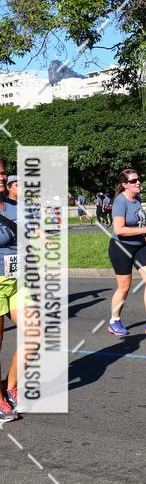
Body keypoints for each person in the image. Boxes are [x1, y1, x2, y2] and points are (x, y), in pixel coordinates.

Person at [107, 168, 146, 336]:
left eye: (138, 179)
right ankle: (114, 321)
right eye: (133, 181)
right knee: (124, 286)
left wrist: (145, 234)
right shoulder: (121, 201)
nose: (138, 182)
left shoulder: (137, 198)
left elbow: (137, 225)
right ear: (125, 185)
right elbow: (119, 229)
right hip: (122, 247)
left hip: (139, 245)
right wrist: (144, 230)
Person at [0, 166, 39, 420]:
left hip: (17, 280)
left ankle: (10, 386)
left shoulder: (13, 205)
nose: (3, 178)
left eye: (3, 173)